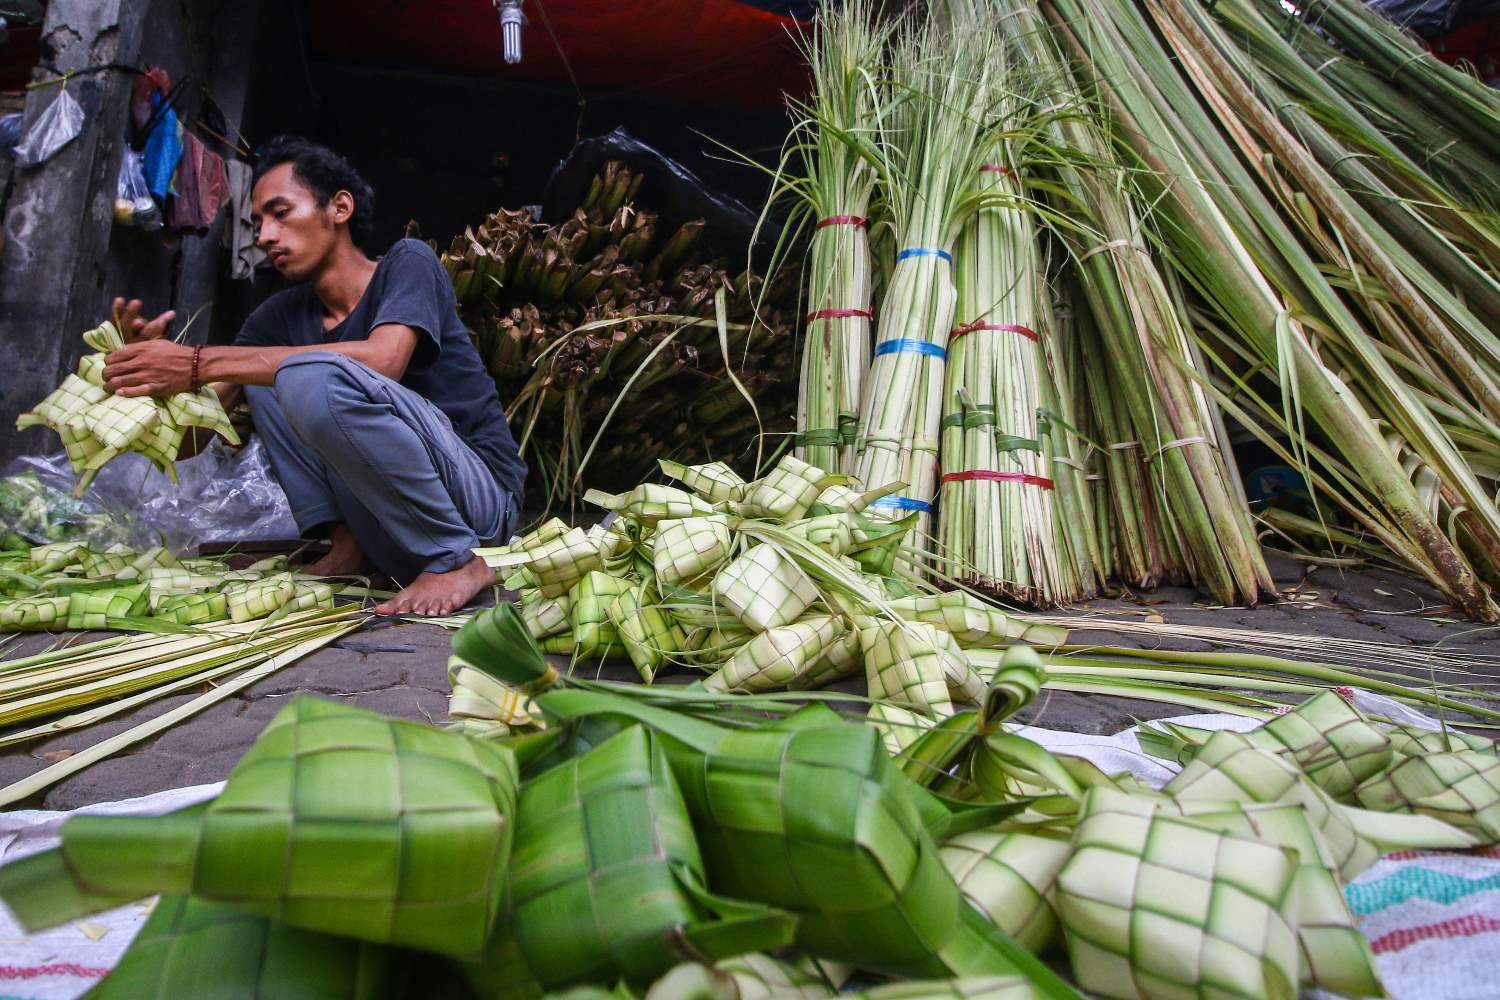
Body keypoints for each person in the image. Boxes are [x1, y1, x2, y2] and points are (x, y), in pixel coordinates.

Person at [101, 136, 527, 615]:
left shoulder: (407, 265)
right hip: (382, 526)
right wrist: (143, 382)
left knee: (302, 372)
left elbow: (384, 358)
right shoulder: (274, 319)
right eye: (258, 222)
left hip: (480, 512)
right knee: (272, 371)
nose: (263, 236)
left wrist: (198, 362)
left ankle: (457, 561)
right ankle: (347, 548)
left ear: (339, 207)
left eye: (280, 213)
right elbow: (192, 441)